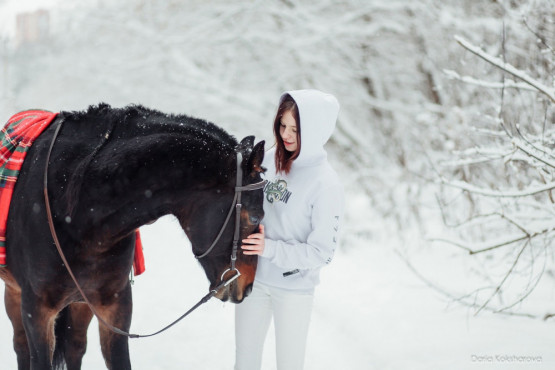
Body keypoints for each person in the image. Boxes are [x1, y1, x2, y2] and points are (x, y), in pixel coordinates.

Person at [235, 89, 345, 370]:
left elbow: (322, 253)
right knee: (244, 362)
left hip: (294, 290)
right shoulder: (270, 159)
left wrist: (269, 248)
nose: (286, 134)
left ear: (315, 130)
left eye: (295, 129)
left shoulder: (325, 183)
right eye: (282, 125)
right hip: (255, 279)